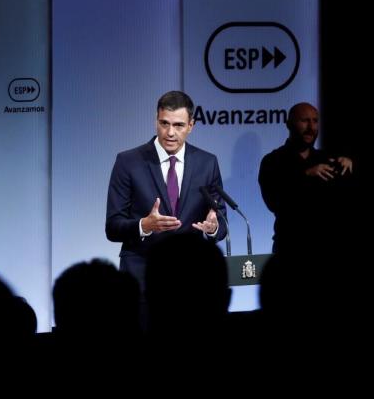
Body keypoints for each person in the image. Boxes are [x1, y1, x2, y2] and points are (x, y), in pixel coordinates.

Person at [105, 91, 228, 290]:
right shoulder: (128, 162)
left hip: (191, 278)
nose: (170, 133)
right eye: (164, 123)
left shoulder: (207, 163)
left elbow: (221, 223)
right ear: (156, 121)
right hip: (142, 278)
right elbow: (112, 226)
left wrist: (213, 227)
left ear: (191, 126)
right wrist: (144, 225)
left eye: (178, 125)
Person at [258, 102, 353, 254]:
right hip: (290, 247)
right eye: (305, 121)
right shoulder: (273, 161)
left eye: (315, 121)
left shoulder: (327, 159)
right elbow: (274, 202)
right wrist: (305, 175)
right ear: (289, 124)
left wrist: (350, 165)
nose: (311, 127)